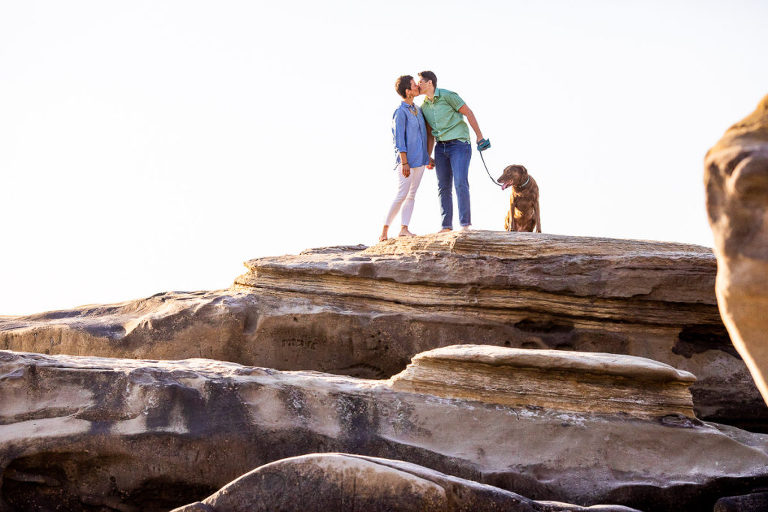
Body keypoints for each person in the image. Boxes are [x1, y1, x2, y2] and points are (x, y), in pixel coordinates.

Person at [418, 71, 487, 232]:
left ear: (430, 83)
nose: (418, 84)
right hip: (440, 148)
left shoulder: (448, 96)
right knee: (443, 186)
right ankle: (446, 227)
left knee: (460, 182)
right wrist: (428, 156)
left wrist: (479, 136)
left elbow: (468, 112)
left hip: (459, 145)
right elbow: (430, 133)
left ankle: (465, 225)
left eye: (420, 81)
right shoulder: (424, 107)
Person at [379, 75, 430, 242]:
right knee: (402, 194)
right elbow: (399, 139)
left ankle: (404, 229)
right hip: (406, 162)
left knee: (412, 194)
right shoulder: (400, 112)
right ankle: (384, 231)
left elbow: (423, 135)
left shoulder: (418, 109)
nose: (417, 87)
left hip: (420, 160)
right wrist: (404, 162)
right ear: (408, 92)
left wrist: (428, 157)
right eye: (414, 85)